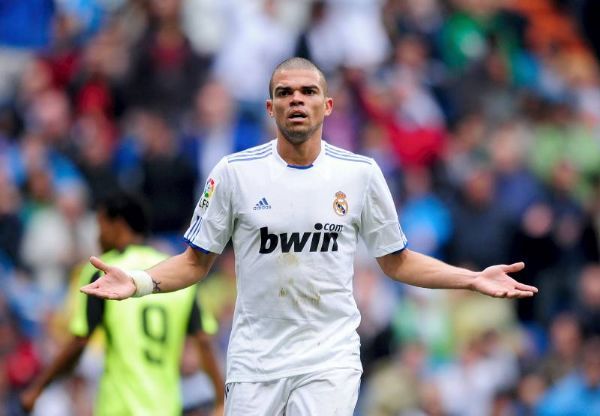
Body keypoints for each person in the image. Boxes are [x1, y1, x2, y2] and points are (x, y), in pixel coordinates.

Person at [80, 57, 538, 416]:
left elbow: (396, 260)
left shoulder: (360, 174)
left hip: (329, 357)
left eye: (308, 91)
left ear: (327, 105)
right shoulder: (234, 173)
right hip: (254, 360)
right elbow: (195, 263)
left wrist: (471, 278)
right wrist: (137, 282)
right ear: (270, 107)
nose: (296, 99)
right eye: (285, 92)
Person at [20, 191, 224, 416]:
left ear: (118, 225)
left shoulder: (107, 271)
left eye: (101, 226)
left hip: (119, 407)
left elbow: (79, 342)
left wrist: (38, 388)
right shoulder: (175, 274)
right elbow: (203, 341)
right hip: (164, 407)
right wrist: (219, 399)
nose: (98, 237)